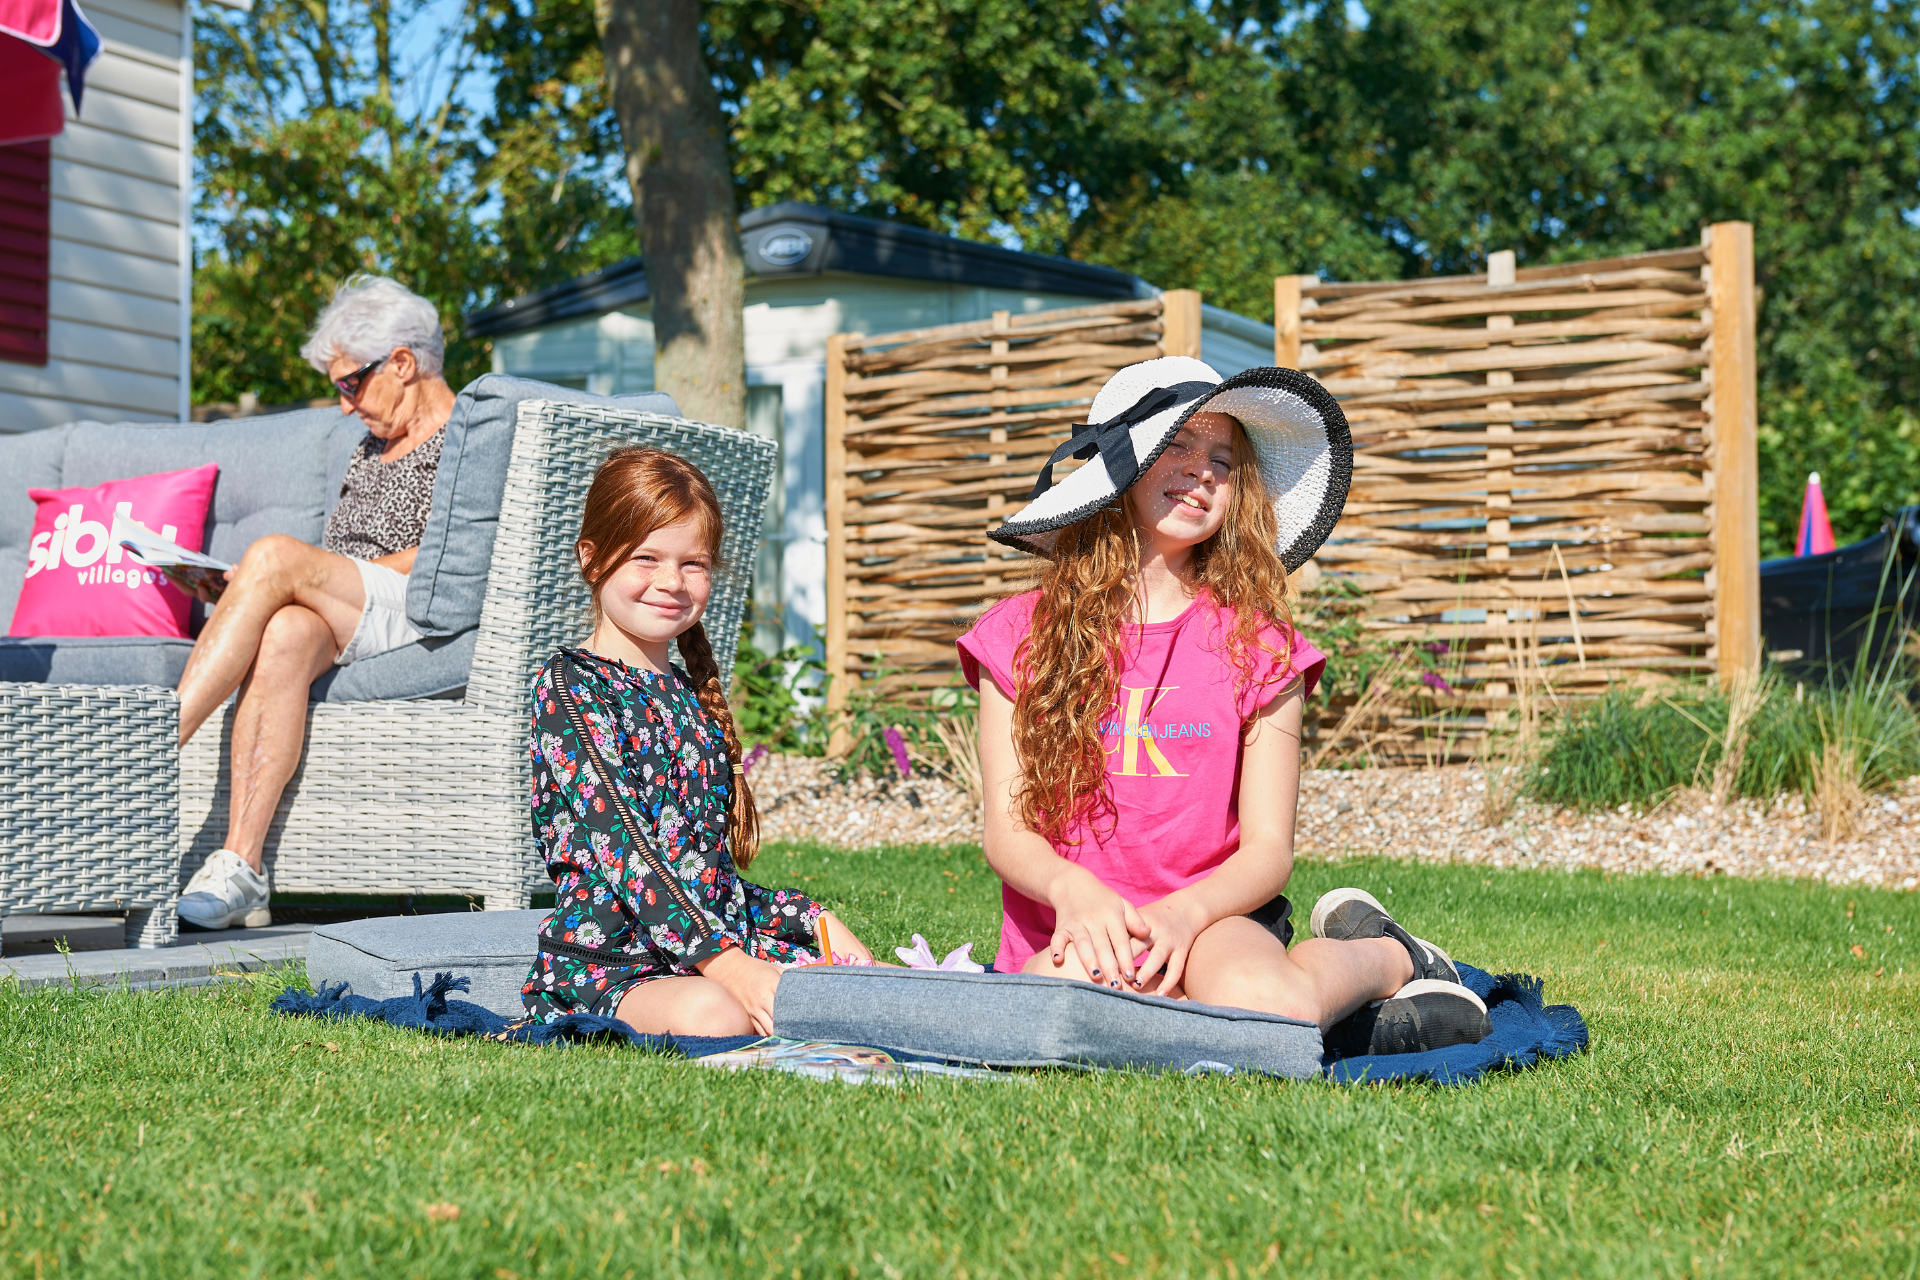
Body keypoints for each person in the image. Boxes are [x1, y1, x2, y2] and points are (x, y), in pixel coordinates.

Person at [956, 357, 1492, 1057]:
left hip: (1216, 914)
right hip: (1075, 917)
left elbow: (1267, 851)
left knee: (1265, 1003)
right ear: (1119, 468)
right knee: (1060, 1020)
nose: (1202, 470)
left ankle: (1391, 958)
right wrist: (1074, 891)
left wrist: (1186, 914)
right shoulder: (1017, 635)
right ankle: (1327, 1021)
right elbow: (1008, 831)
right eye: (1175, 445)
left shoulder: (1262, 650)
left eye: (1223, 459)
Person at [520, 448, 872, 1035]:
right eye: (645, 558)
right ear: (591, 558)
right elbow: (626, 852)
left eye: (694, 564)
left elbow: (709, 876)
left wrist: (814, 919)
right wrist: (732, 968)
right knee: (721, 1013)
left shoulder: (690, 695)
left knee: (854, 988)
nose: (671, 582)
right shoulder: (569, 687)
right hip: (610, 970)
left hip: (710, 950)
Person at [173, 275, 457, 931]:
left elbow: (444, 557)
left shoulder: (467, 436)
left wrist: (298, 570)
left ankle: (149, 744)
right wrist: (248, 587)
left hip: (413, 602)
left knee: (274, 555)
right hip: (349, 606)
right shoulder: (374, 445)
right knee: (286, 631)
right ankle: (241, 867)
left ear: (403, 363)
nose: (344, 405)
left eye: (350, 383)